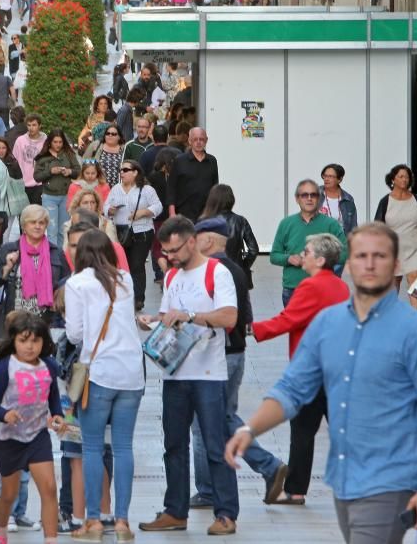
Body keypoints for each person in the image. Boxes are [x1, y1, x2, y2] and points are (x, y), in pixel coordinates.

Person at [226, 223, 417, 544]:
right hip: (344, 479)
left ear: (396, 265)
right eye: (362, 255)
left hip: (391, 481)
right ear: (349, 263)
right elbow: (291, 389)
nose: (370, 263)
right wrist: (249, 430)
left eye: (380, 255)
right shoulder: (328, 324)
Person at [137, 216, 239, 536]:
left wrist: (192, 315)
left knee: (215, 443)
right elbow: (170, 318)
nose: (171, 257)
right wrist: (154, 320)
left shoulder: (216, 272)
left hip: (208, 373)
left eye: (175, 250)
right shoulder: (171, 277)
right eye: (166, 251)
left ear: (192, 241)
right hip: (175, 372)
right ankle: (175, 510)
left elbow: (229, 316)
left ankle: (225, 513)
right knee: (174, 444)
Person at [187, 218, 289, 510]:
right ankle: (268, 467)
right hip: (234, 352)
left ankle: (209, 489)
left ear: (208, 240)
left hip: (221, 354)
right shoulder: (235, 268)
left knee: (203, 423)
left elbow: (224, 316)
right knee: (225, 417)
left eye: (197, 237)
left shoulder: (216, 270)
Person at [252, 234, 349, 504]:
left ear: (319, 259)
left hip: (312, 369)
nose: (301, 255)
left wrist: (252, 329)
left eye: (306, 252)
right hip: (335, 367)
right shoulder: (340, 286)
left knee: (303, 431)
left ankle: (295, 490)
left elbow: (288, 319)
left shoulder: (311, 286)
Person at [64, 230, 144, 542]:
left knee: (92, 447)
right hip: (131, 374)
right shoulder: (125, 278)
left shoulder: (77, 283)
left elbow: (74, 333)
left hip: (97, 373)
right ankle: (122, 521)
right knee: (123, 447)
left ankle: (94, 521)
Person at [0, 312, 64, 544]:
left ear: (43, 342)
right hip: (8, 439)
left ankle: (51, 539)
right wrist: (4, 414)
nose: (30, 346)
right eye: (23, 340)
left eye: (35, 341)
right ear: (13, 341)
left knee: (49, 488)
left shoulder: (48, 366)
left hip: (37, 436)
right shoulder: (3, 369)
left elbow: (53, 394)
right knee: (9, 494)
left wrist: (56, 414)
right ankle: (0, 528)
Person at [0, 204, 71, 326]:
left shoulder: (56, 252)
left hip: (47, 319)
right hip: (15, 318)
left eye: (41, 223)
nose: (37, 226)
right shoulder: (9, 249)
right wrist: (6, 268)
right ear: (24, 226)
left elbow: (66, 282)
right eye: (33, 222)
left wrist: (58, 299)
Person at [270, 179, 348, 306]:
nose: (309, 198)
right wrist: (288, 258)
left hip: (323, 288)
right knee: (294, 326)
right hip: (293, 288)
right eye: (305, 195)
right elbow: (274, 256)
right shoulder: (286, 224)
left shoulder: (331, 224)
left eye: (314, 195)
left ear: (319, 198)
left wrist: (320, 259)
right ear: (297, 199)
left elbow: (345, 253)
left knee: (322, 326)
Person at [103, 160, 163, 311]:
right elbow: (105, 206)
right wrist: (110, 210)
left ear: (135, 172)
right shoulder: (116, 188)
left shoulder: (146, 189)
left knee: (137, 265)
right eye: (121, 170)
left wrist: (143, 212)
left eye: (125, 170)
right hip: (121, 232)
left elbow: (158, 206)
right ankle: (124, 296)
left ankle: (138, 299)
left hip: (142, 232)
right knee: (124, 265)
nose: (121, 173)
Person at [374, 164, 417, 306]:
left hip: (414, 248)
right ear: (393, 179)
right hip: (393, 249)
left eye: (407, 177)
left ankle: (414, 316)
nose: (404, 180)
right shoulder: (386, 201)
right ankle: (392, 314)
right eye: (401, 176)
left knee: (415, 279)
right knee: (393, 283)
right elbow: (378, 226)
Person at [199, 184, 259, 289]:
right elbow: (253, 249)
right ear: (232, 200)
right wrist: (243, 266)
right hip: (236, 274)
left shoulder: (205, 222)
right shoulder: (241, 221)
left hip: (212, 274)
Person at [34, 129, 80, 248]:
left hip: (66, 196)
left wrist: (70, 172)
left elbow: (78, 171)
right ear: (50, 142)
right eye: (55, 142)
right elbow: (37, 177)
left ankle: (62, 257)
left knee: (63, 229)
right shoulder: (42, 156)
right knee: (51, 230)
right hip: (49, 197)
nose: (58, 145)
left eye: (60, 142)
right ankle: (52, 258)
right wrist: (50, 171)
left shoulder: (69, 154)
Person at [167, 128, 218, 222]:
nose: (198, 142)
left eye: (201, 139)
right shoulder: (179, 160)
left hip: (206, 214)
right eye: (195, 139)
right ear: (190, 141)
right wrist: (172, 212)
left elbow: (215, 187)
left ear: (206, 140)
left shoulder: (212, 161)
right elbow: (171, 187)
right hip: (183, 214)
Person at [12, 114, 47, 205]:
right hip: (23, 183)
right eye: (29, 125)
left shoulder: (46, 140)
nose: (31, 128)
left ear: (40, 126)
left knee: (37, 213)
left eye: (34, 125)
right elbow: (14, 160)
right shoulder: (20, 140)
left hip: (40, 183)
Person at [317, 163, 358, 234]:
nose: (326, 179)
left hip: (340, 241)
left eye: (330, 176)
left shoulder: (348, 199)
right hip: (317, 240)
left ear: (339, 179)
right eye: (325, 176)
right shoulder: (315, 193)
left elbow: (353, 226)